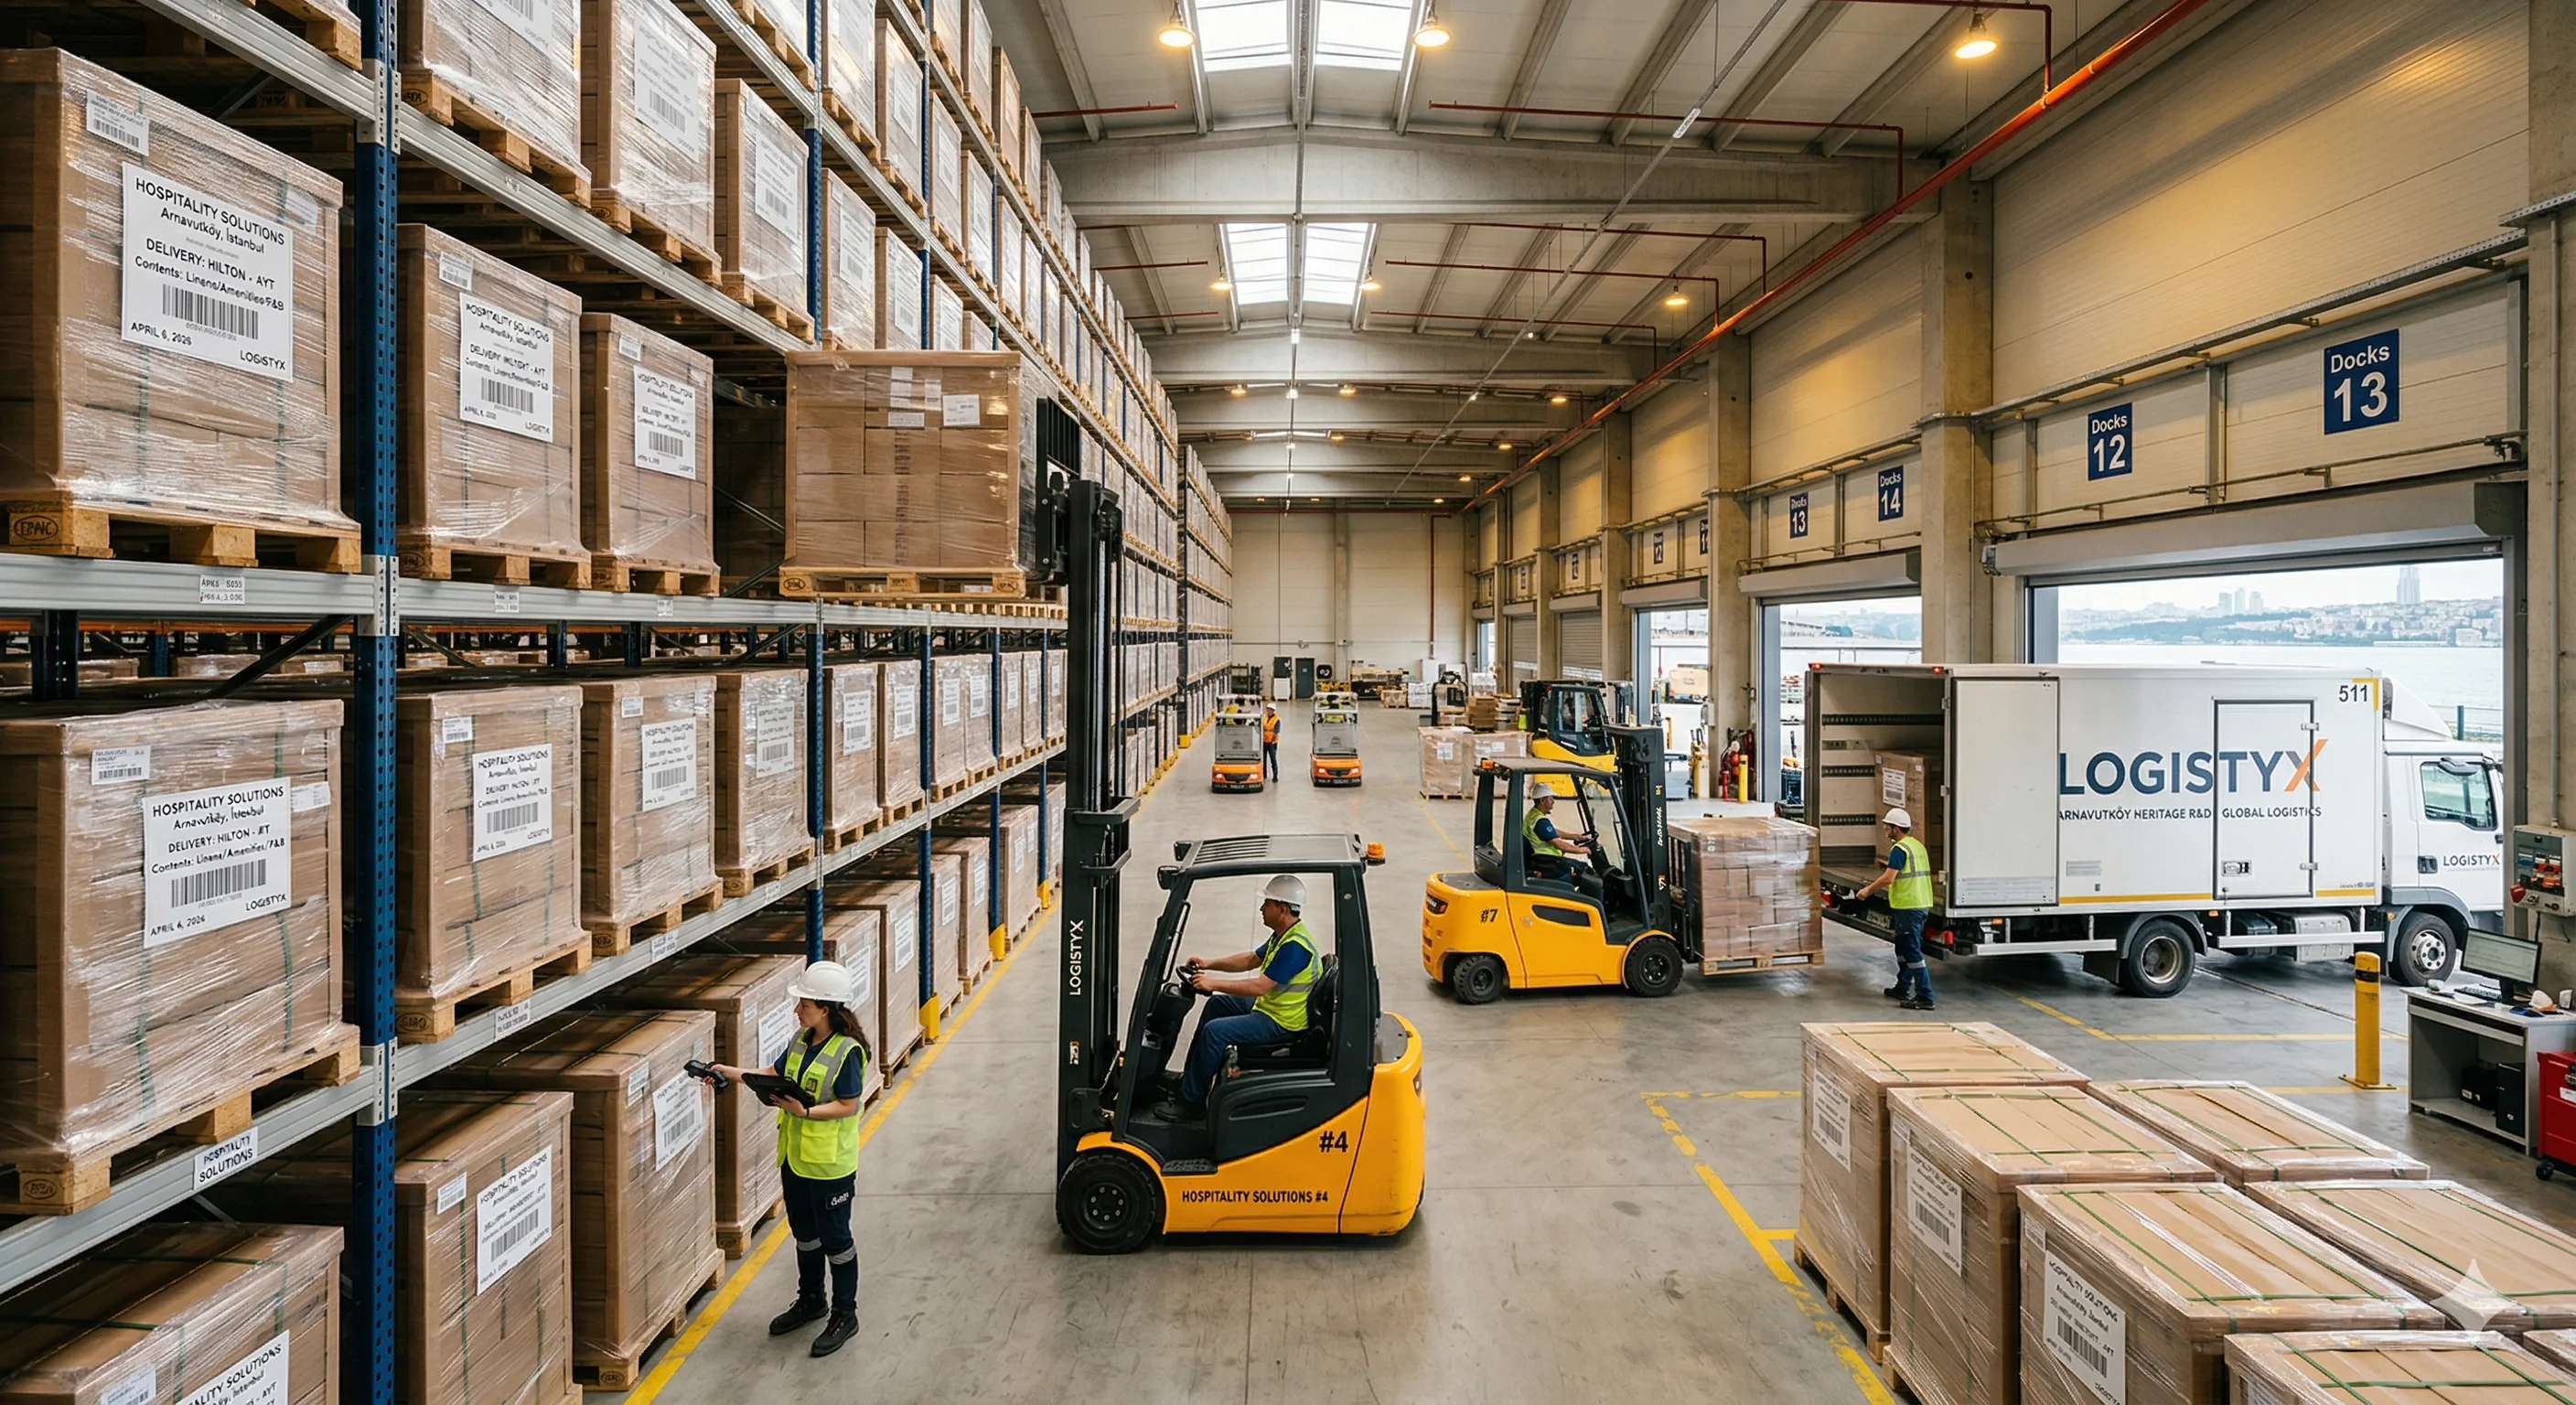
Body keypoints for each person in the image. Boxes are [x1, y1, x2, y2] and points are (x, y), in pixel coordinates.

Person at [700, 961, 873, 1357]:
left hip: (829, 1166)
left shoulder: (847, 1051)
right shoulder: (800, 1040)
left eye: (804, 1005)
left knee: (836, 1241)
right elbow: (772, 1072)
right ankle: (812, 1300)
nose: (797, 1010)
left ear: (825, 1008)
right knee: (805, 1235)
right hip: (795, 1160)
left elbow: (848, 1105)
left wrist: (804, 1112)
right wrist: (726, 1071)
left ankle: (845, 1314)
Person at [1154, 874, 1321, 1122]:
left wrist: (1213, 983)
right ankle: (1190, 1081)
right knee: (1217, 1004)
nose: (1262, 909)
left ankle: (1192, 1104)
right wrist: (1208, 964)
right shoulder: (1284, 934)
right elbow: (1250, 959)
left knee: (1215, 1032)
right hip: (1272, 1007)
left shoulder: (1295, 947)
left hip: (1283, 1021)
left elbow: (1259, 987)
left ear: (1283, 909)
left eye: (1267, 904)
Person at [1851, 808, 1937, 1011]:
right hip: (1919, 903)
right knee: (1903, 948)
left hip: (1909, 906)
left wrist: (1867, 891)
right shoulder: (1917, 846)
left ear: (1896, 829)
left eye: (1887, 827)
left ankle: (1925, 995)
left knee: (1912, 951)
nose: (1885, 830)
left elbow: (1889, 877)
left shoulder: (1899, 849)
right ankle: (1902, 987)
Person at [1522, 781, 1603, 902]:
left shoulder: (1534, 815)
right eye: (1550, 798)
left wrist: (1575, 837)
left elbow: (1552, 831)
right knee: (1584, 869)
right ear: (1542, 801)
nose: (1553, 801)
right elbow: (1558, 843)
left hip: (1540, 860)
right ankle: (1595, 905)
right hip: (1547, 862)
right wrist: (1580, 850)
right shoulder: (1540, 822)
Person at [1261, 703, 1282, 781]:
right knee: (1263, 759)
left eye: (1270, 709)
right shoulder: (1264, 717)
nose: (1268, 711)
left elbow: (1277, 730)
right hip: (1264, 741)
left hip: (1272, 742)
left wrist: (1273, 739)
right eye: (1267, 709)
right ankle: (1264, 775)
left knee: (1273, 759)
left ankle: (1275, 776)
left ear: (1273, 710)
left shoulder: (1276, 719)